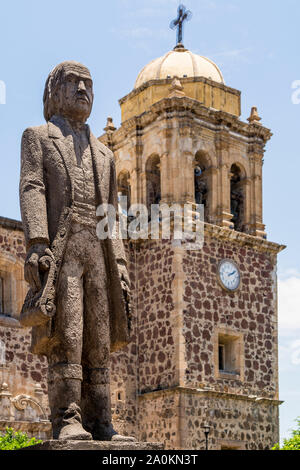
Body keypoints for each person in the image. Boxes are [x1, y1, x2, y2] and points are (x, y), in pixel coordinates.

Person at [19, 61, 132, 441]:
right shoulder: (38, 137)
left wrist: (119, 259)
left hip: (97, 251)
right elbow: (32, 186)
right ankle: (66, 417)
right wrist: (37, 242)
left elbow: (111, 214)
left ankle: (102, 420)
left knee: (99, 335)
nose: (83, 88)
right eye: (73, 82)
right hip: (63, 249)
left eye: (89, 83)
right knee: (68, 332)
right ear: (54, 91)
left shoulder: (106, 155)